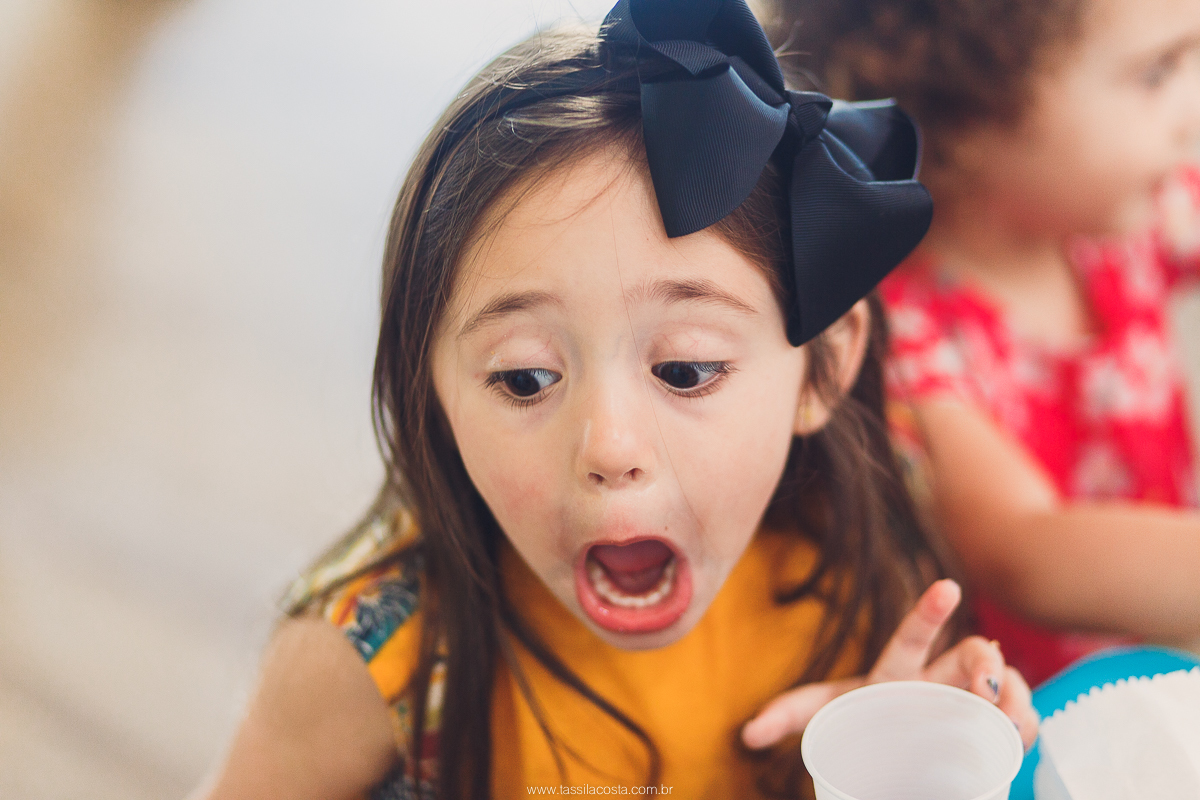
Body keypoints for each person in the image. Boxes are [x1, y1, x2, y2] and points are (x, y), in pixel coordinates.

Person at [194, 2, 1037, 798]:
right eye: (525, 379)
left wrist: (891, 758)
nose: (608, 445)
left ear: (820, 370)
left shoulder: (858, 569)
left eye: (685, 369)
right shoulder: (366, 666)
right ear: (432, 392)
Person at [764, 0, 1200, 685]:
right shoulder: (907, 329)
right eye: (1156, 73)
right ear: (968, 114)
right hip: (1042, 719)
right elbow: (1026, 552)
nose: (1192, 110)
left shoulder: (1128, 215)